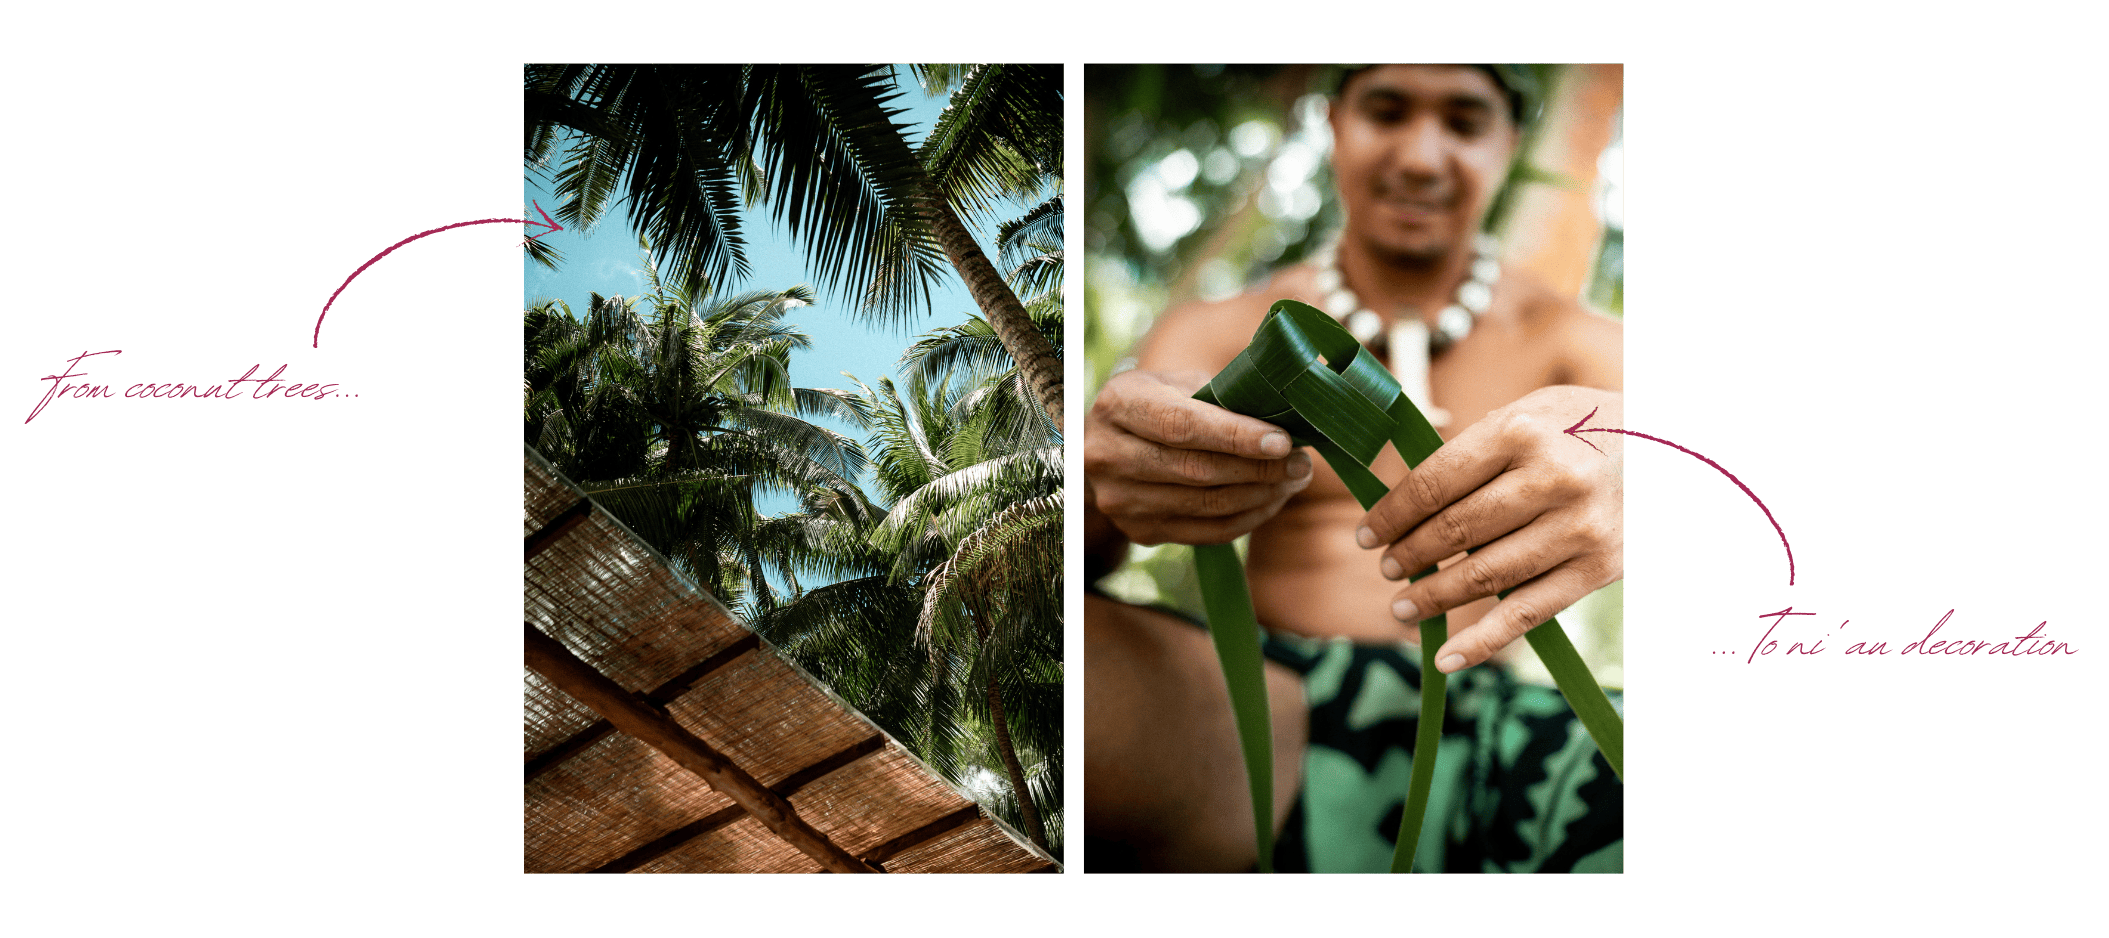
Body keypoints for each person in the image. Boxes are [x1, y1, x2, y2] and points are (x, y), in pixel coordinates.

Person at [1084, 64, 1624, 872]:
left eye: (1464, 122)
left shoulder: (1575, 343)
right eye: (1387, 111)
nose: (1419, 157)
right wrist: (1097, 488)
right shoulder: (1222, 330)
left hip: (1513, 722)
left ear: (1508, 144)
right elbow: (1083, 549)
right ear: (1332, 122)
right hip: (1271, 708)